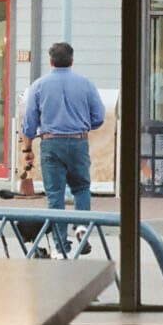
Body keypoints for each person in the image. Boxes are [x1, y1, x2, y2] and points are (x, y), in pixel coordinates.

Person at [20, 42, 106, 255]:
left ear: (50, 61)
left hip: (51, 142)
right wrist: (83, 128)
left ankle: (61, 248)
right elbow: (99, 117)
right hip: (78, 142)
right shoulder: (86, 84)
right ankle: (82, 227)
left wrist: (27, 149)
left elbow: (29, 122)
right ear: (72, 61)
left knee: (55, 196)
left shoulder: (38, 85)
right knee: (82, 187)